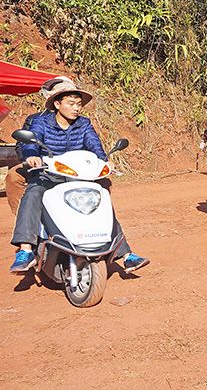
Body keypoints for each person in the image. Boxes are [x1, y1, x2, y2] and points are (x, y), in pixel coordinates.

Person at [10, 79, 149, 274]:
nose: (76, 108)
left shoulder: (84, 124)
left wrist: (104, 160)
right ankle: (25, 250)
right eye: (71, 103)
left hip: (77, 175)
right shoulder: (40, 121)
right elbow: (30, 142)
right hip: (48, 174)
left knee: (100, 197)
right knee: (34, 192)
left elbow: (94, 144)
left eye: (79, 104)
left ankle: (125, 254)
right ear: (57, 104)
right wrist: (32, 155)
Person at [5, 76, 66, 215]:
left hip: (74, 167)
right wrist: (30, 158)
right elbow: (22, 144)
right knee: (13, 176)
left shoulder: (81, 121)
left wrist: (101, 159)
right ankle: (23, 219)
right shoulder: (34, 119)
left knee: (105, 179)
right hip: (42, 166)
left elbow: (92, 145)